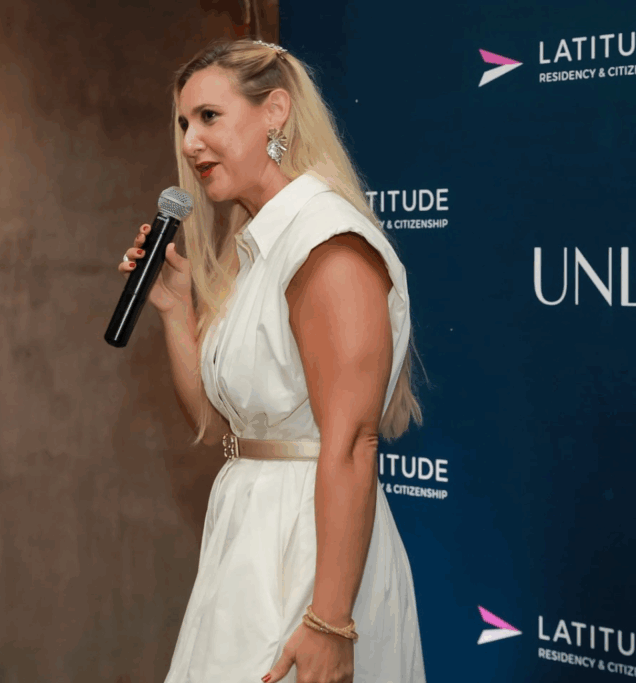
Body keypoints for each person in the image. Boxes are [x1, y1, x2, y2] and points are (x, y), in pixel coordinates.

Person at [118, 38, 426, 683]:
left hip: (311, 549)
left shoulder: (326, 242)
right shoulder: (255, 249)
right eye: (183, 123)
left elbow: (353, 443)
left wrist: (331, 622)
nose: (190, 143)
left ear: (275, 112)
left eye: (209, 116)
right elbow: (218, 426)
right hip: (248, 541)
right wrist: (175, 309)